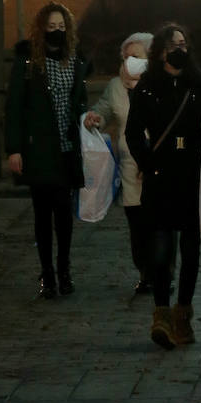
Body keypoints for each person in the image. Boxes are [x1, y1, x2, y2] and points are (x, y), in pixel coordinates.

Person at [125, 23, 201, 349]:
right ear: (160, 52)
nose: (179, 49)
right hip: (161, 176)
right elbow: (133, 130)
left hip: (193, 174)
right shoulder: (149, 86)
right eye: (172, 45)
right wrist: (146, 161)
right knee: (162, 248)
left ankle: (183, 315)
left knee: (191, 249)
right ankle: (162, 314)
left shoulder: (200, 83)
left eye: (183, 43)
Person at [5, 2, 89, 299]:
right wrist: (14, 148)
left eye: (61, 27)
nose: (56, 32)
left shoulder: (75, 59)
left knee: (64, 211)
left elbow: (80, 100)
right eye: (51, 27)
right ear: (41, 28)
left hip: (66, 147)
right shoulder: (28, 61)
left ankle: (64, 269)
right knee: (42, 212)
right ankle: (48, 274)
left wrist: (86, 119)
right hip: (38, 147)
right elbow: (14, 106)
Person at [83, 31, 154, 295]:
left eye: (136, 56)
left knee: (160, 223)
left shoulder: (160, 84)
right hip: (129, 165)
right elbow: (103, 111)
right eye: (126, 57)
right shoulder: (116, 86)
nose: (129, 61)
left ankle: (163, 272)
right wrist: (94, 119)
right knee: (137, 224)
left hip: (157, 165)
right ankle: (145, 273)